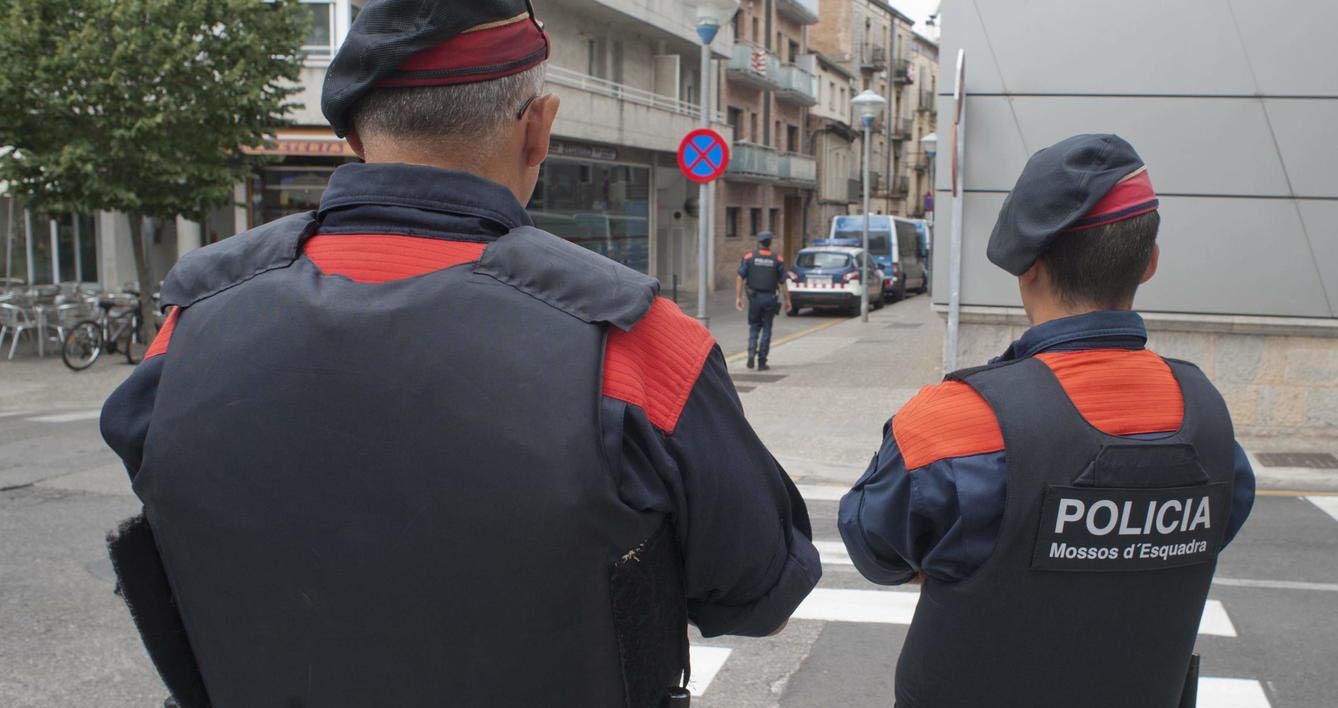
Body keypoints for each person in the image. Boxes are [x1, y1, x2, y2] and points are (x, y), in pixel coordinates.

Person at [99, 2, 821, 706]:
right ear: (538, 129)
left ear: (354, 135)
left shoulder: (188, 326)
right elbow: (762, 599)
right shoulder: (638, 343)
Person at [839, 134, 1256, 708]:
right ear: (1151, 262)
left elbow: (875, 551)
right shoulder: (1206, 416)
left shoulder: (952, 421)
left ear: (1028, 267)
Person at [735, 231, 791, 370]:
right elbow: (783, 282)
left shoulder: (749, 257)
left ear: (758, 242)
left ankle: (751, 351)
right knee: (767, 329)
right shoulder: (777, 259)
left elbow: (740, 277)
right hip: (770, 299)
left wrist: (738, 297)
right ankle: (762, 362)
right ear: (770, 242)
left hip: (754, 299)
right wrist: (787, 299)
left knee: (754, 327)